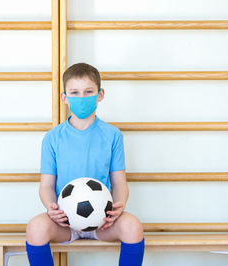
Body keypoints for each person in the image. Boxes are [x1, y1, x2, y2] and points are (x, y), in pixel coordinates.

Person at [26, 63, 145, 266]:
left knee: (133, 226)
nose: (82, 98)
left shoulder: (112, 136)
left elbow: (119, 183)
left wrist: (119, 207)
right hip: (64, 223)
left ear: (100, 94)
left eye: (88, 92)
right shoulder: (53, 138)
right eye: (75, 92)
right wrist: (50, 208)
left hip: (103, 222)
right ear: (64, 97)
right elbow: (46, 185)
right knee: (35, 227)